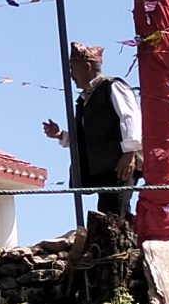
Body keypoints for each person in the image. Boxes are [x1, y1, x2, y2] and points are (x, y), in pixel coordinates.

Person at [42, 43, 141, 216]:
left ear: (87, 66)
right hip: (104, 166)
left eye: (73, 69)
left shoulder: (112, 86)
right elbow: (90, 135)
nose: (71, 75)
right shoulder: (85, 98)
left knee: (114, 211)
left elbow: (130, 117)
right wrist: (60, 135)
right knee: (109, 209)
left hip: (119, 163)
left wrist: (129, 153)